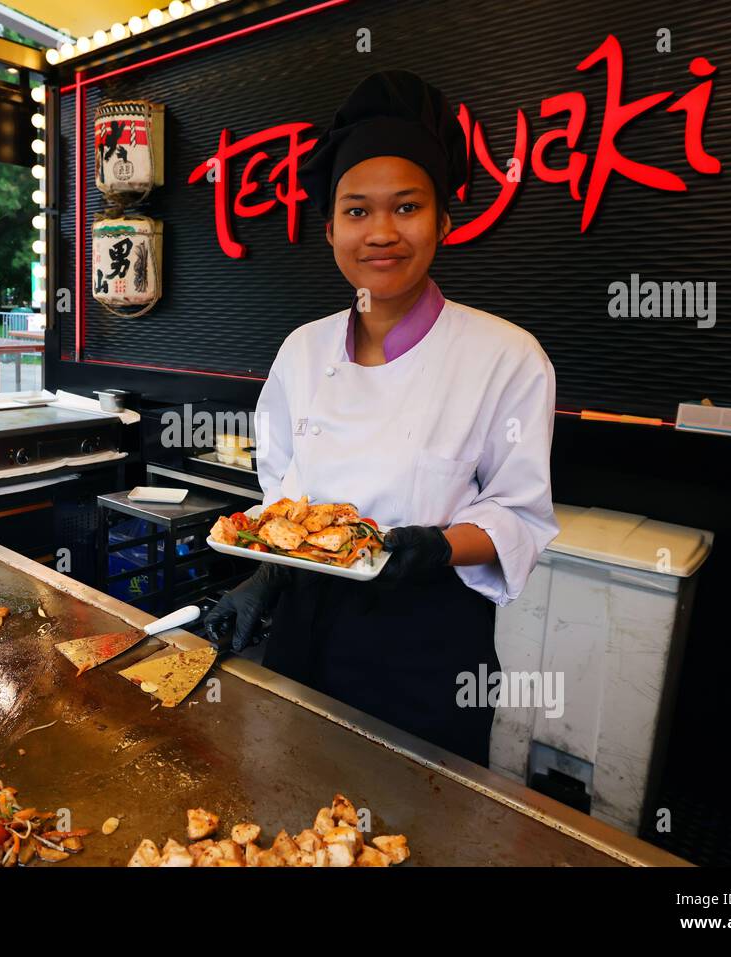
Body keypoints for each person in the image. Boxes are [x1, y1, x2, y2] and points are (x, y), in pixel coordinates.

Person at [205, 70, 559, 765]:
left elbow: (521, 515)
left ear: (444, 219)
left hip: (427, 642)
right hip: (303, 625)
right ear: (330, 227)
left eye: (407, 207)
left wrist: (433, 546)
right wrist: (266, 577)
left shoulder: (507, 356)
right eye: (358, 211)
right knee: (287, 799)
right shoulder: (301, 350)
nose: (382, 233)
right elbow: (284, 500)